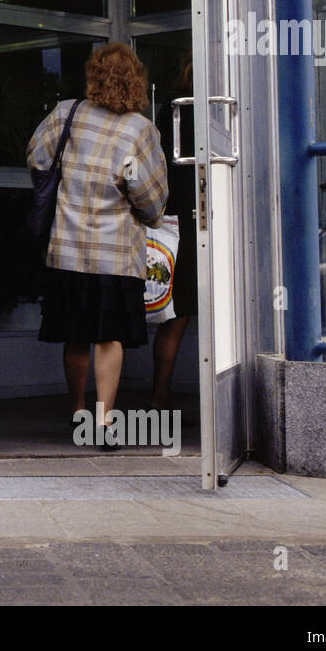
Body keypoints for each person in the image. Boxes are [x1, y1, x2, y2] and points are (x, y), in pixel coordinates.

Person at [27, 42, 167, 450]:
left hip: (68, 247)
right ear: (136, 80)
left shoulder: (66, 114)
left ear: (93, 75)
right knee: (109, 338)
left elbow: (37, 159)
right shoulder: (142, 130)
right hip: (116, 254)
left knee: (76, 335)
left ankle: (78, 410)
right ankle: (104, 421)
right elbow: (154, 201)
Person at [151, 55, 197, 411]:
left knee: (175, 314)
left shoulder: (170, 110)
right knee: (224, 311)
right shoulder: (217, 108)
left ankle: (161, 393)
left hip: (176, 220)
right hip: (208, 218)